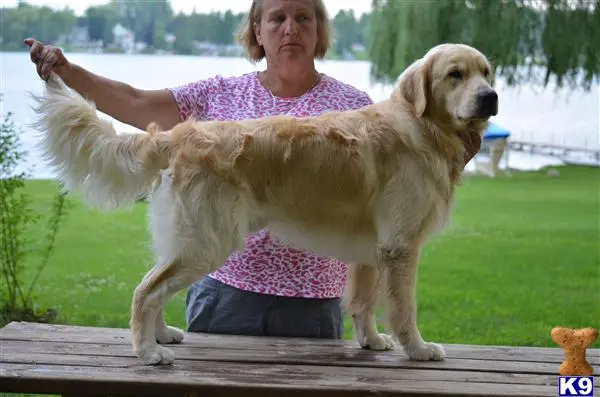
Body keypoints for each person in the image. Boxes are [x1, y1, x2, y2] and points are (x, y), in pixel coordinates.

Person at [25, 0, 481, 340]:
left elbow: (380, 234)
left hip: (315, 308)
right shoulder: (218, 95)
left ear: (319, 32)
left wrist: (365, 321)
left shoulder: (360, 109)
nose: (290, 29)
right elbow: (137, 104)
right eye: (277, 18)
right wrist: (69, 73)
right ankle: (147, 313)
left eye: (304, 18)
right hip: (226, 300)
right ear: (257, 31)